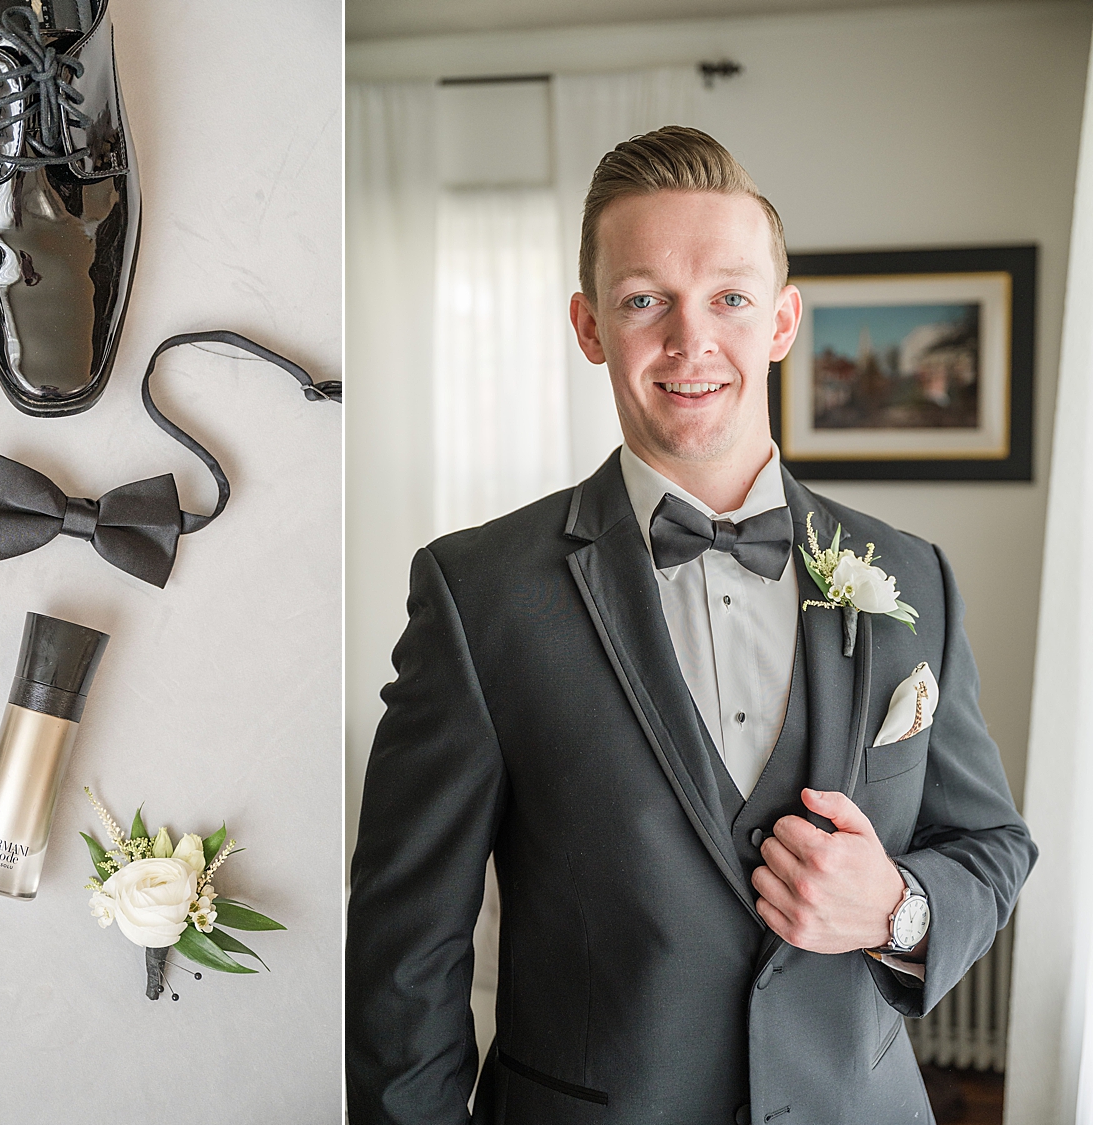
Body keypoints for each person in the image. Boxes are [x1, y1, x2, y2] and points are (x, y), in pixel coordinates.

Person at [345, 126, 1036, 1125]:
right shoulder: (476, 592)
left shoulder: (914, 578)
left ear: (784, 321)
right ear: (588, 326)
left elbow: (991, 844)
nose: (690, 341)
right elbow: (408, 951)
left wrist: (898, 908)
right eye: (643, 301)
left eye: (729, 298)